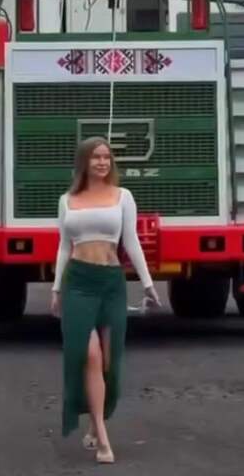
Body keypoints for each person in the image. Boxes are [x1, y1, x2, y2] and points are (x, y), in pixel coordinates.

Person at [50, 136, 161, 464]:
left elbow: (132, 241)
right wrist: (56, 289)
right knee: (91, 355)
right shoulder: (67, 200)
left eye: (107, 157)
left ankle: (96, 421)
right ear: (84, 162)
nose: (102, 162)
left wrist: (148, 284)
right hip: (78, 283)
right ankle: (101, 437)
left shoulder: (123, 196)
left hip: (112, 283)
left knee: (110, 364)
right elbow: (64, 247)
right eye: (96, 157)